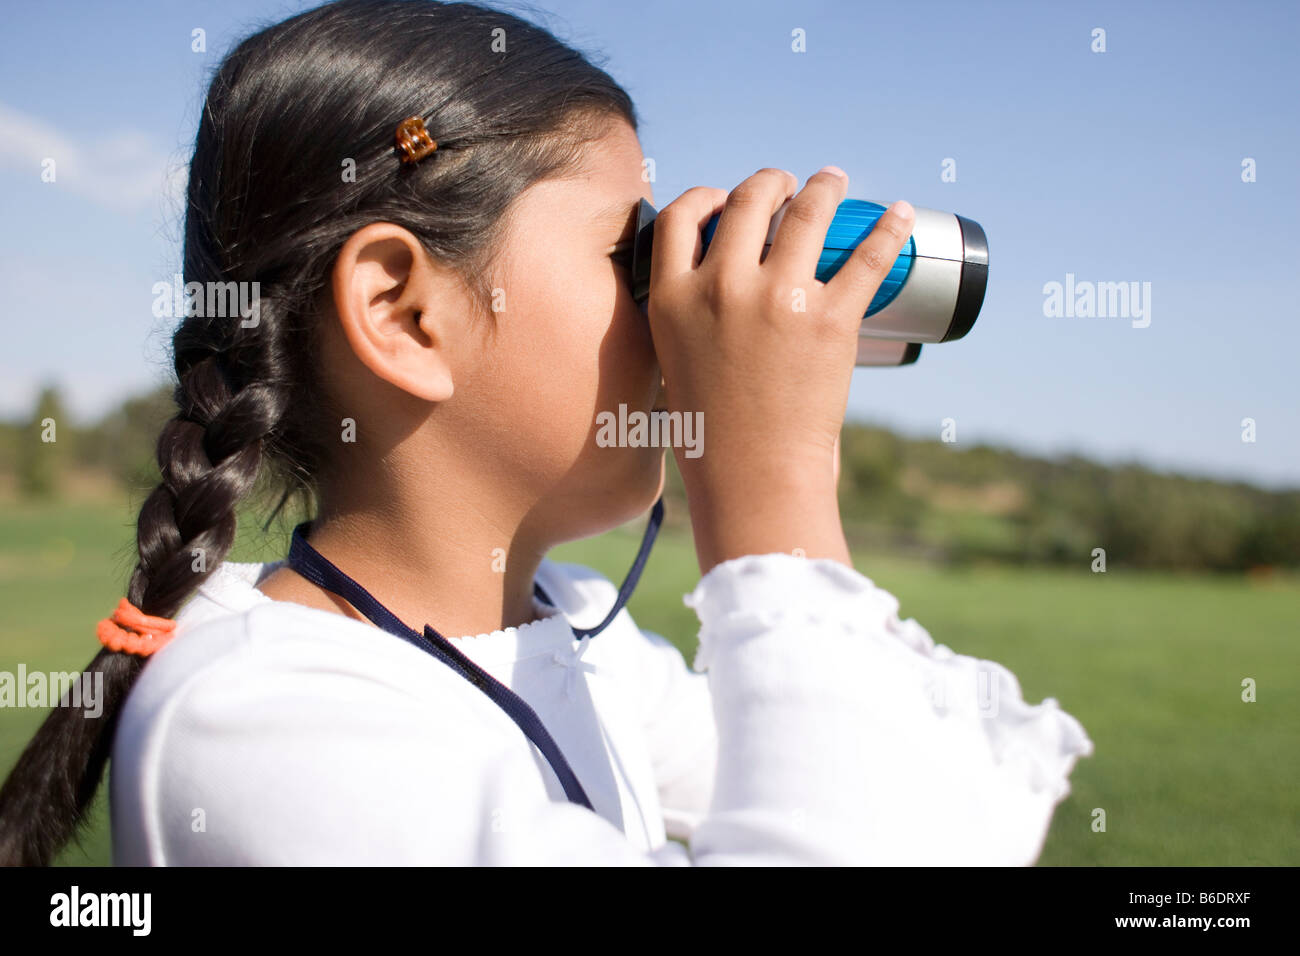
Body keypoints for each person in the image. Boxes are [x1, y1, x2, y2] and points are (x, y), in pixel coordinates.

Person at [0, 0, 1092, 866]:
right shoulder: (258, 720)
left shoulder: (574, 627)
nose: (675, 301)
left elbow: (918, 793)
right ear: (403, 310)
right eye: (633, 254)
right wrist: (773, 482)